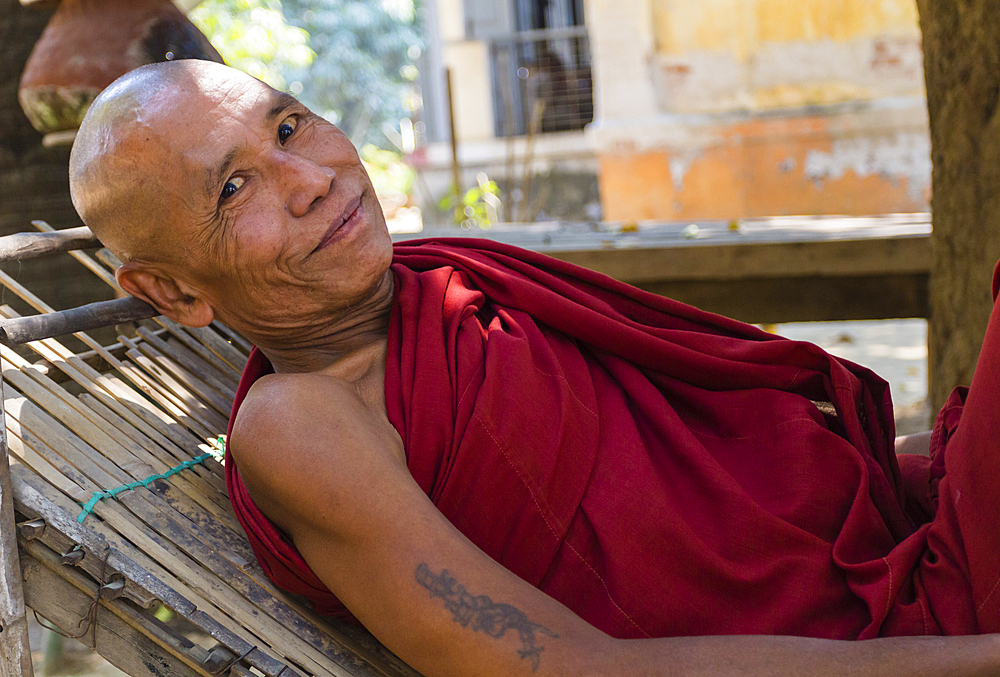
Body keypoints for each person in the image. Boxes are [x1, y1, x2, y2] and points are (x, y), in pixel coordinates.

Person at [67, 59, 1000, 676]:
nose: (311, 177)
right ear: (172, 289)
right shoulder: (300, 422)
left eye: (291, 127)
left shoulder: (446, 285)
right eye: (235, 188)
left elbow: (726, 476)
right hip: (911, 640)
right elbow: (581, 669)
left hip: (919, 543)